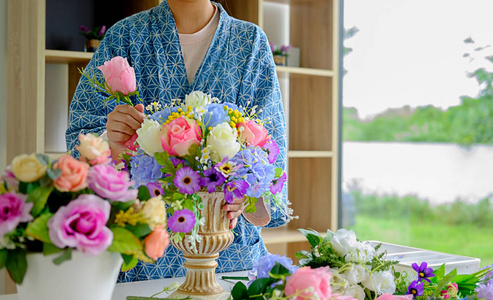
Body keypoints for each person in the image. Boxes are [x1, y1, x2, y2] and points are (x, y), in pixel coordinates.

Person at [66, 0, 289, 282]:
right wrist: (111, 141)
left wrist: (246, 195)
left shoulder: (250, 41)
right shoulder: (125, 36)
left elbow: (272, 143)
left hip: (228, 249)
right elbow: (82, 132)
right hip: (143, 248)